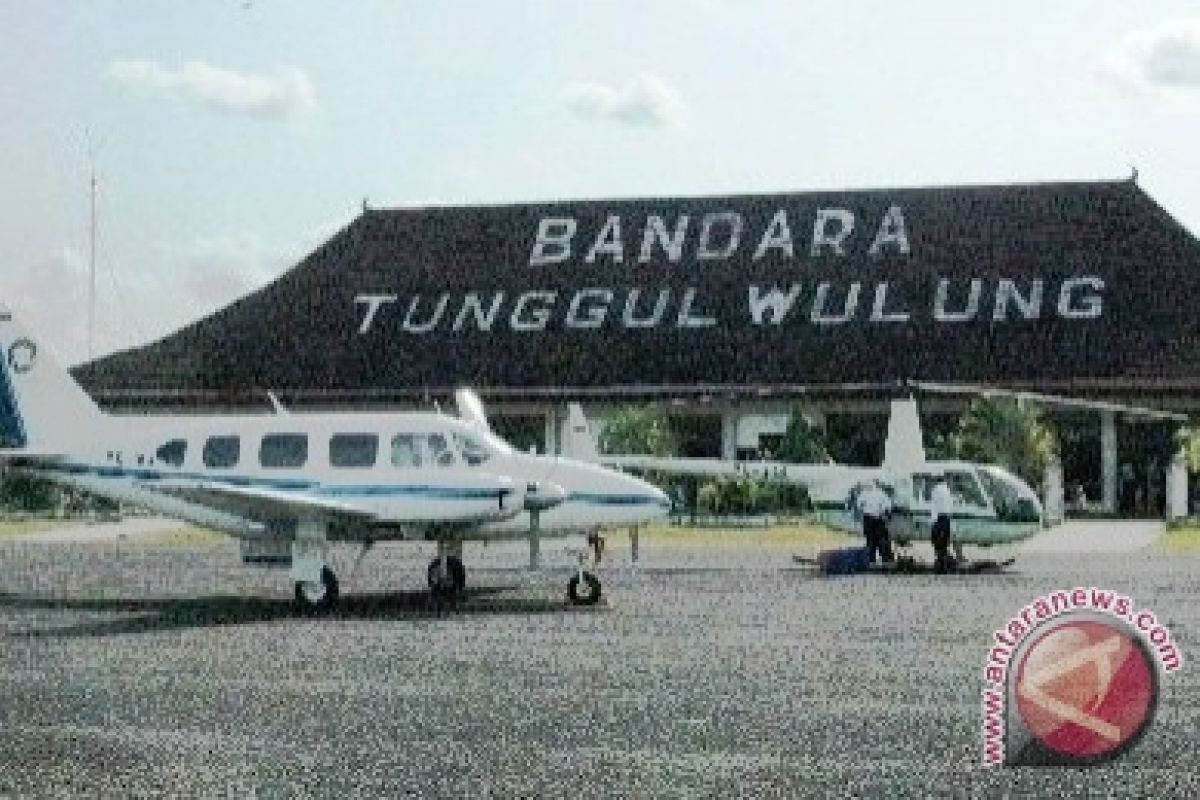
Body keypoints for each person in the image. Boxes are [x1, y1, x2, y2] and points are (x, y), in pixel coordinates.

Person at [857, 479, 894, 564]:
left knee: (870, 540)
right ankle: (886, 559)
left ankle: (871, 559)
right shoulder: (882, 494)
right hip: (878, 519)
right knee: (882, 539)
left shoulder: (864, 493)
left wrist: (862, 512)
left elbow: (859, 505)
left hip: (868, 518)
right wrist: (887, 516)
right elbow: (887, 507)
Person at [930, 475, 954, 573]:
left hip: (939, 519)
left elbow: (934, 506)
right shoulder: (948, 490)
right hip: (947, 519)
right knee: (944, 543)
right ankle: (944, 565)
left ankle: (940, 564)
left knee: (936, 541)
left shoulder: (935, 490)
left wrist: (933, 521)